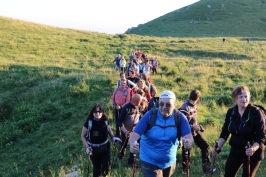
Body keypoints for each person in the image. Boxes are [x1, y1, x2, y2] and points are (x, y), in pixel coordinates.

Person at [129, 90, 194, 177]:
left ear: (175, 104)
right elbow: (134, 136)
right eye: (161, 104)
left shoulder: (179, 117)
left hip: (170, 162)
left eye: (168, 104)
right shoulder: (150, 115)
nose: (164, 107)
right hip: (149, 160)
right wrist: (132, 144)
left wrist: (189, 143)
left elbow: (189, 136)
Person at [212, 85, 265, 177]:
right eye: (240, 97)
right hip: (236, 151)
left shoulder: (256, 112)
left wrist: (253, 149)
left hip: (252, 153)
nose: (244, 99)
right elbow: (225, 132)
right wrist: (218, 147)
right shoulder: (231, 112)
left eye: (246, 96)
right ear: (235, 99)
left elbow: (262, 136)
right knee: (228, 175)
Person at [81, 103, 121, 177]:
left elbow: (108, 129)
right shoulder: (88, 123)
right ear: (92, 113)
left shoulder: (105, 121)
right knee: (97, 168)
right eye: (95, 112)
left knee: (106, 167)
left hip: (105, 147)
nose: (97, 113)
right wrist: (87, 147)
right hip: (93, 149)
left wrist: (113, 137)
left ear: (102, 112)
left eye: (99, 111)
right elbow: (82, 136)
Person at [179, 89, 214, 174]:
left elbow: (193, 119)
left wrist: (197, 126)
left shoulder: (194, 105)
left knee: (206, 146)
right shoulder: (184, 108)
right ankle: (185, 170)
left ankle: (206, 169)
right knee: (187, 151)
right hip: (187, 133)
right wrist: (192, 127)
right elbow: (181, 124)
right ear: (198, 98)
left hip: (195, 132)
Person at [118, 94, 142, 167]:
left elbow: (140, 118)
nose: (140, 103)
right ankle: (120, 158)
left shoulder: (139, 107)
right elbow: (119, 122)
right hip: (126, 130)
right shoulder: (126, 108)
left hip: (135, 131)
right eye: (139, 101)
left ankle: (131, 162)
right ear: (135, 101)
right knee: (124, 145)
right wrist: (125, 131)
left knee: (134, 145)